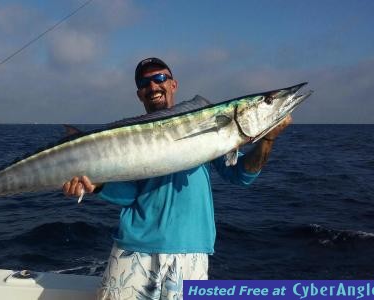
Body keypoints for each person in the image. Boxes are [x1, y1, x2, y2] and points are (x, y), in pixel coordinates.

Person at [62, 57, 291, 299]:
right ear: (139, 94)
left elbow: (240, 176)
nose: (153, 86)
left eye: (160, 78)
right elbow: (129, 196)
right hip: (134, 248)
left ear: (173, 84)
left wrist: (268, 138)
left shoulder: (210, 122)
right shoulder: (130, 139)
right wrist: (96, 185)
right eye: (144, 82)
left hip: (190, 251)